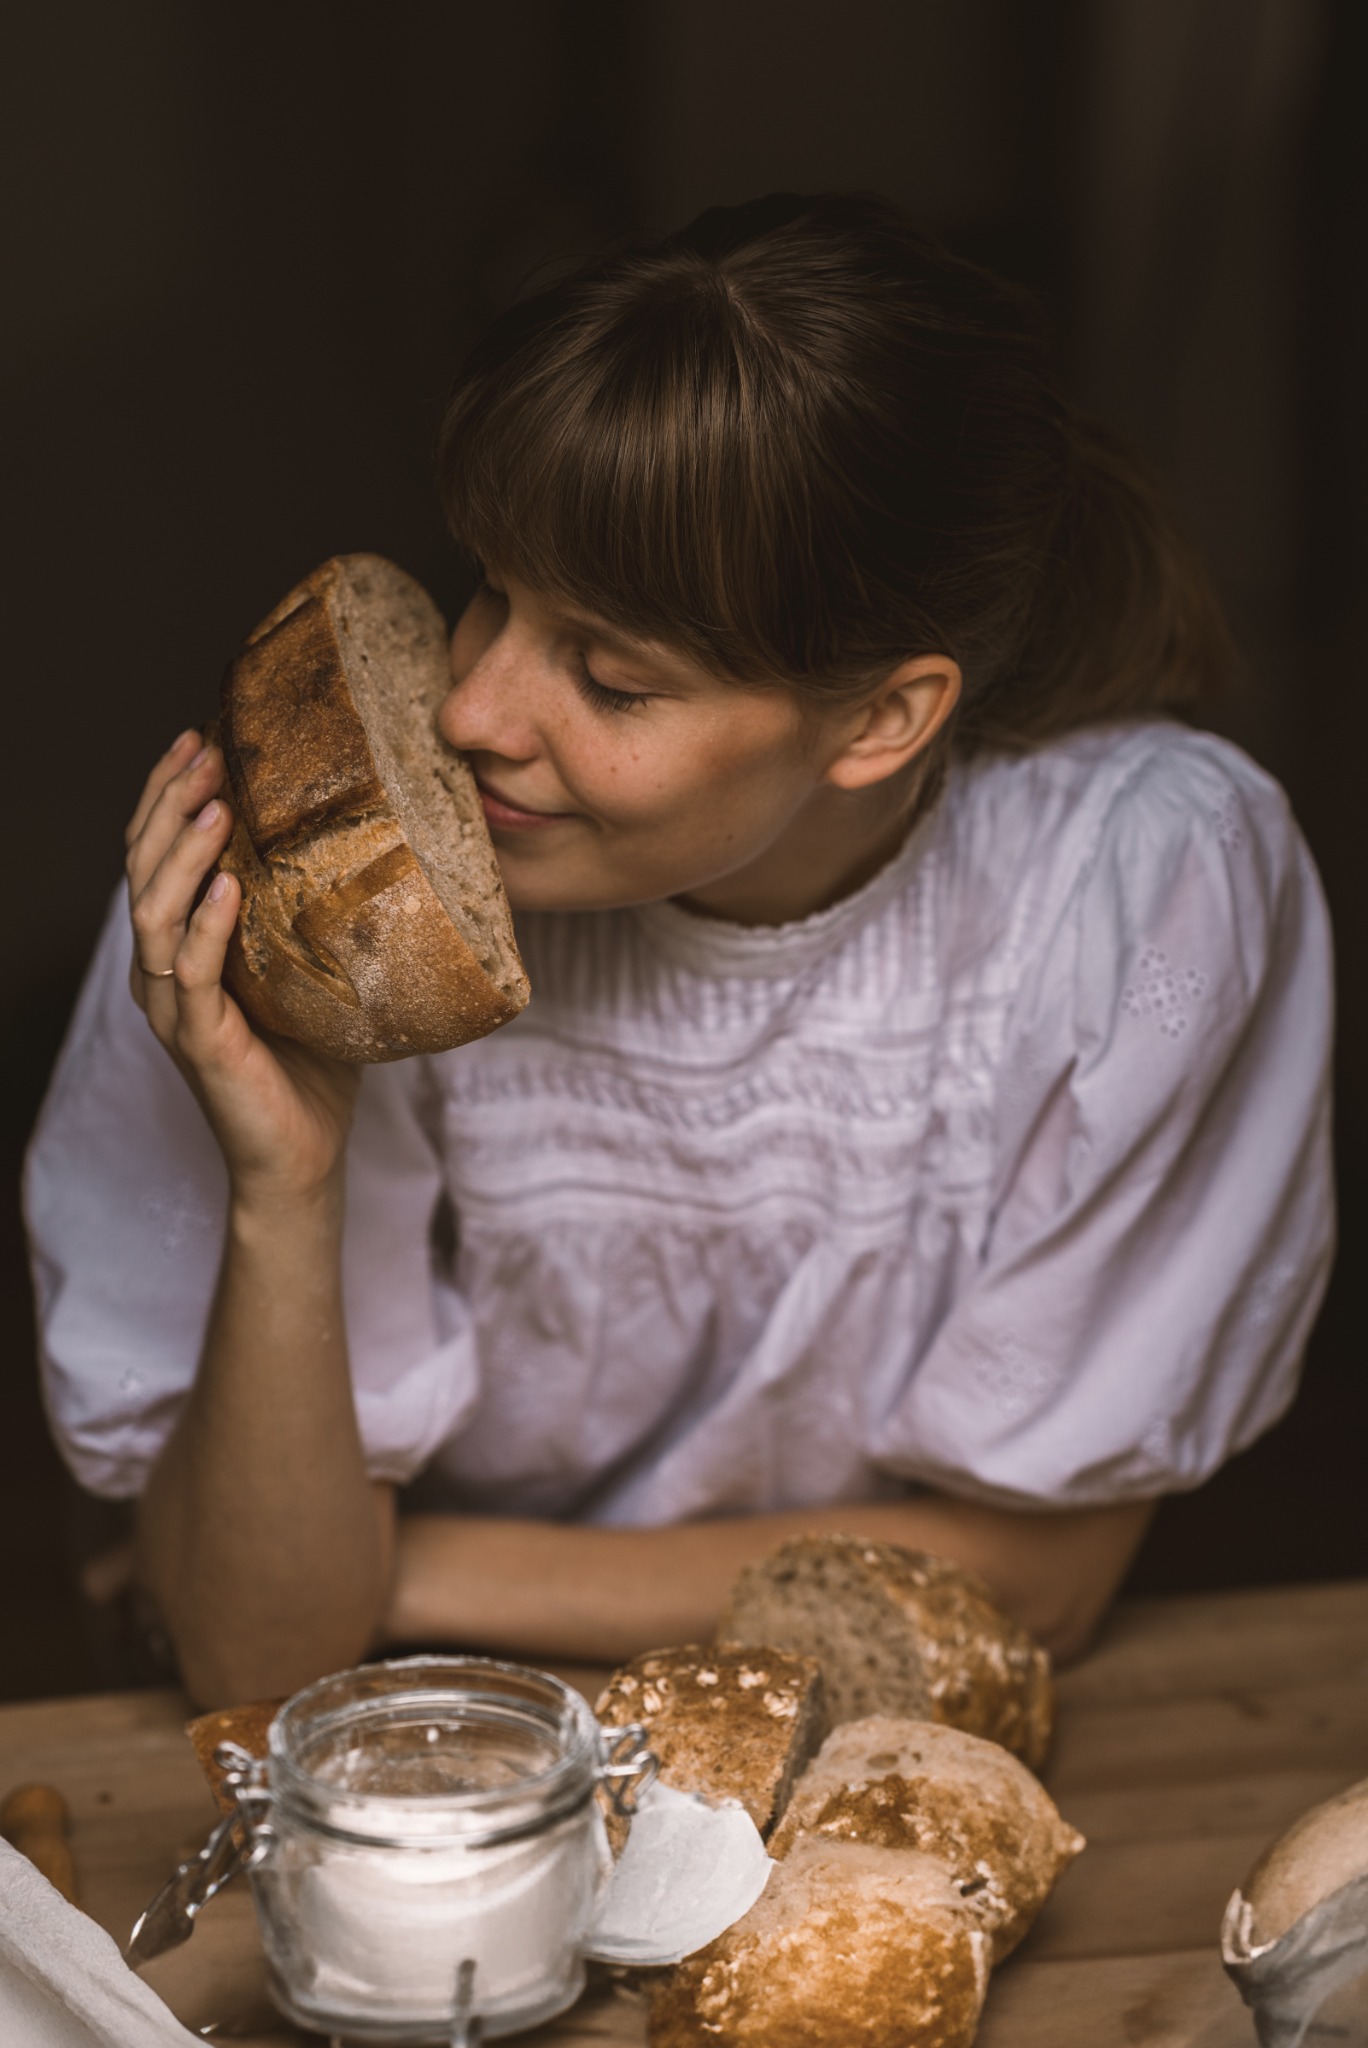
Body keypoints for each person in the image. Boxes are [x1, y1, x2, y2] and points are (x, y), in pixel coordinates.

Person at [26, 195, 1334, 1709]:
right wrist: (286, 1182)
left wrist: (389, 1571)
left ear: (884, 719)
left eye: (610, 678)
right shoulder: (321, 908)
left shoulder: (1143, 890)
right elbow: (256, 1660)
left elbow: (1038, 1575)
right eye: (492, 592)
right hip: (441, 1755)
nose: (471, 713)